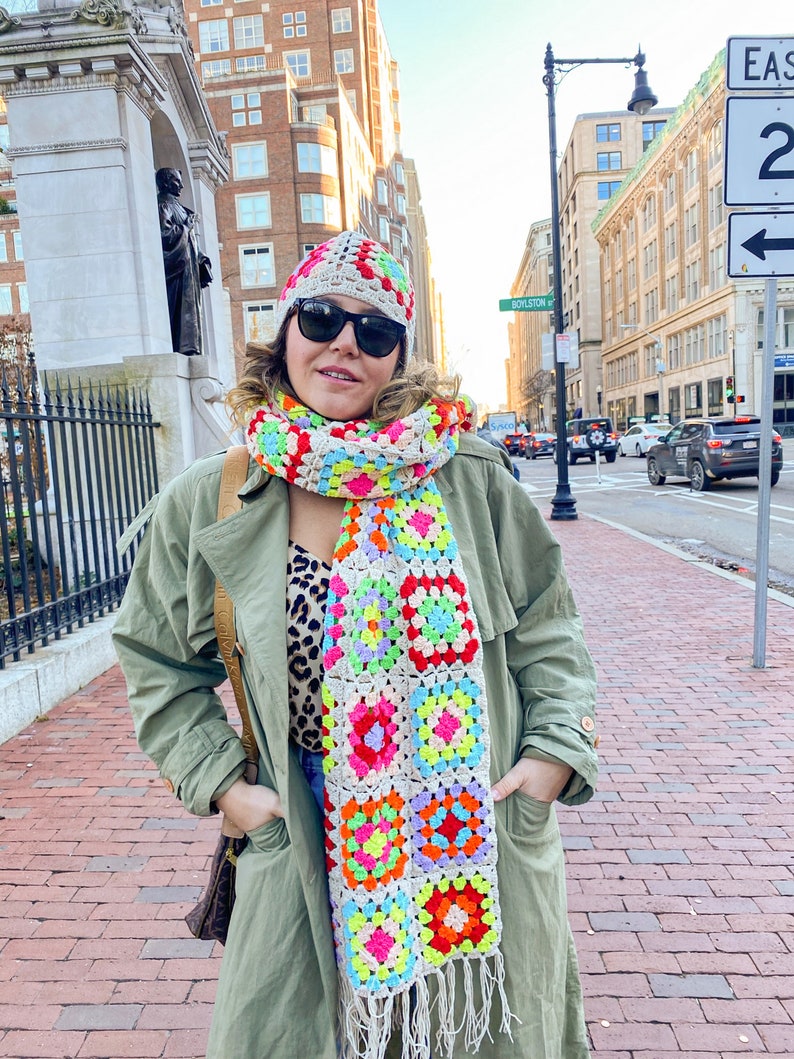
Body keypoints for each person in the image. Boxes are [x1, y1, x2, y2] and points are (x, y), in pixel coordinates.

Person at [113, 230, 599, 1059]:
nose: (345, 341)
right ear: (284, 335)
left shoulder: (468, 476)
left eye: (375, 331)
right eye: (322, 317)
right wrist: (226, 788)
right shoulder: (215, 496)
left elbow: (549, 624)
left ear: (400, 357)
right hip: (300, 827)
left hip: (469, 826)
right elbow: (158, 662)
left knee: (484, 1032)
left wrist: (553, 752)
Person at [156, 167, 213, 356]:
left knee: (192, 310)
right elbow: (165, 236)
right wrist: (186, 227)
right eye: (176, 181)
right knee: (181, 310)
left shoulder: (180, 207)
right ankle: (183, 348)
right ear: (165, 183)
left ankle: (191, 348)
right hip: (178, 269)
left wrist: (201, 259)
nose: (180, 185)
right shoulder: (163, 204)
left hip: (190, 268)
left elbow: (191, 240)